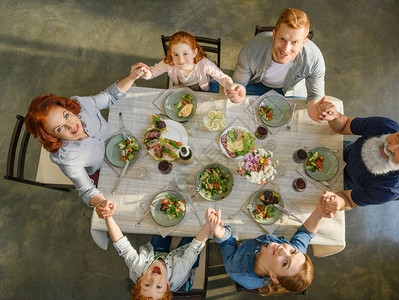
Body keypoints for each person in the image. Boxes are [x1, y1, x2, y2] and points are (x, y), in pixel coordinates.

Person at [24, 63, 146, 218]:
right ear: (52, 137)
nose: (71, 126)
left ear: (67, 108)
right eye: (59, 129)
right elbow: (87, 190)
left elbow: (110, 96)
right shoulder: (66, 158)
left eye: (66, 115)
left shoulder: (81, 105)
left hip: (117, 143)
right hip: (101, 170)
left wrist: (132, 77)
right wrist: (100, 203)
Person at [316, 100, 399, 212]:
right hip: (344, 150)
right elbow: (344, 125)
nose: (391, 147)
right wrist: (334, 116)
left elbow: (348, 200)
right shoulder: (385, 125)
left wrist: (339, 202)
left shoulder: (391, 189)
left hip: (345, 184)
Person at [206, 197, 331, 295]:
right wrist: (319, 212)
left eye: (284, 263)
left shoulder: (237, 269)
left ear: (274, 277)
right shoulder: (296, 254)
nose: (283, 250)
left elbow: (227, 242)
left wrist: (215, 227)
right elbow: (306, 233)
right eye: (292, 251)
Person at [228, 8, 326, 121]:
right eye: (282, 39)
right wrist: (238, 91)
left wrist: (314, 109)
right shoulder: (251, 50)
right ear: (274, 34)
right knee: (241, 116)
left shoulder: (315, 58)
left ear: (304, 42)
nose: (286, 49)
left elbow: (315, 95)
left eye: (294, 42)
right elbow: (239, 82)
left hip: (291, 90)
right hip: (258, 85)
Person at [104, 204, 211, 300]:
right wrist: (209, 223)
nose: (154, 279)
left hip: (156, 253)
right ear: (168, 286)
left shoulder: (137, 269)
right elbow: (195, 247)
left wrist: (108, 217)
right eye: (159, 287)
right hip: (182, 257)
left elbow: (122, 246)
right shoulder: (179, 273)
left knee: (163, 219)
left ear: (140, 280)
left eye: (147, 285)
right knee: (196, 227)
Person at [135, 31, 242, 97]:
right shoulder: (169, 63)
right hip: (181, 87)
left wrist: (230, 85)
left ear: (194, 52)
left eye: (185, 54)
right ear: (171, 54)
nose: (181, 60)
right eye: (175, 54)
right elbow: (152, 73)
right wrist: (145, 74)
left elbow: (222, 78)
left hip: (203, 87)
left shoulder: (204, 64)